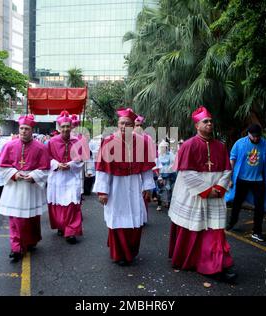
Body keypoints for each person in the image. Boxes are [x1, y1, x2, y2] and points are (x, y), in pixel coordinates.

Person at [168, 106, 236, 283]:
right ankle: (199, 262)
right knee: (195, 228)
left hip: (215, 196)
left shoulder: (220, 146)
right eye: (205, 121)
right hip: (195, 195)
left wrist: (219, 189)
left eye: (211, 121)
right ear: (197, 125)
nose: (209, 124)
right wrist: (207, 190)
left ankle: (216, 264)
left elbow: (227, 170)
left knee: (214, 231)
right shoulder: (188, 145)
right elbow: (186, 173)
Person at [93, 108, 156, 266]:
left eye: (127, 124)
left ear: (132, 126)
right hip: (116, 186)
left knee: (135, 219)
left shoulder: (142, 142)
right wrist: (102, 191)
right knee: (117, 219)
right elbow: (102, 170)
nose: (124, 126)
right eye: (121, 123)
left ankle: (131, 251)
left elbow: (147, 169)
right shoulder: (108, 142)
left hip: (135, 184)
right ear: (117, 124)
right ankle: (119, 253)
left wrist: (148, 188)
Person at [0, 115, 50, 262]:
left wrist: (33, 175)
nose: (23, 131)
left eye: (26, 129)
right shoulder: (9, 146)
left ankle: (31, 241)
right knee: (15, 219)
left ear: (32, 130)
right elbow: (2, 166)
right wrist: (14, 173)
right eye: (21, 128)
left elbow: (45, 169)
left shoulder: (40, 147)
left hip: (31, 187)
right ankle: (16, 248)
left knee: (32, 218)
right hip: (15, 186)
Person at [225, 124, 266, 242]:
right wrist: (230, 179)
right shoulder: (240, 143)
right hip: (242, 180)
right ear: (248, 134)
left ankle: (257, 232)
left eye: (258, 136)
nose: (256, 139)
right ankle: (232, 222)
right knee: (237, 203)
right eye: (254, 136)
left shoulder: (265, 144)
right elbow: (232, 160)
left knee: (260, 207)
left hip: (258, 181)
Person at [47, 111, 86, 244]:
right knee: (58, 204)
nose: (65, 129)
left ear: (71, 127)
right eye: (62, 126)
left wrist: (70, 165)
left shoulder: (78, 141)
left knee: (71, 204)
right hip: (57, 177)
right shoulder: (52, 141)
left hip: (71, 176)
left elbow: (82, 159)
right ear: (59, 127)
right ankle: (61, 225)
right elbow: (47, 158)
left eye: (67, 126)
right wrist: (57, 164)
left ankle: (71, 231)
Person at [155, 140, 177, 211]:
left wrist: (168, 170)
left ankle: (169, 203)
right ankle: (159, 205)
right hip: (160, 175)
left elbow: (173, 164)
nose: (162, 148)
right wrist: (159, 176)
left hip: (169, 175)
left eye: (164, 147)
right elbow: (156, 167)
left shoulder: (170, 154)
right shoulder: (158, 156)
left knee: (168, 189)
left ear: (166, 147)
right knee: (159, 190)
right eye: (161, 147)